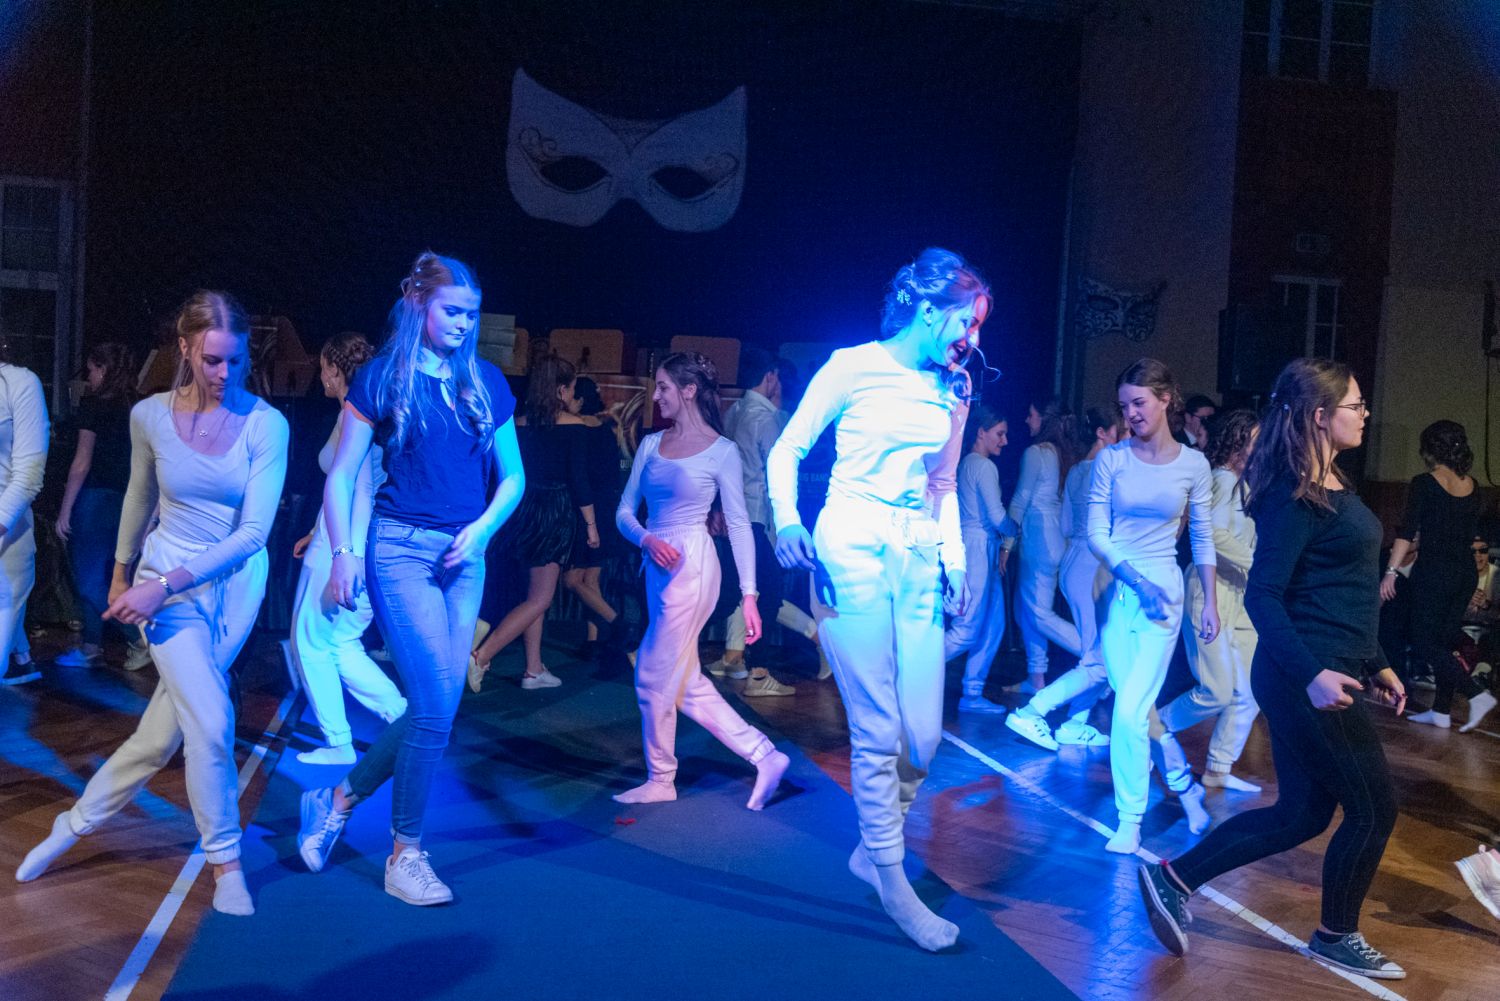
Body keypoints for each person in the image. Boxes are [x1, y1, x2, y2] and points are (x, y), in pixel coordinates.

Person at [16, 291, 289, 916]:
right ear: (185, 349)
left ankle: (73, 824)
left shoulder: (266, 424)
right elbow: (139, 497)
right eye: (213, 360)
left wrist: (155, 588)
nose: (225, 373)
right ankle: (225, 863)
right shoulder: (150, 416)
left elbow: (253, 534)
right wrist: (123, 577)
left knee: (160, 736)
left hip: (234, 588)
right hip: (166, 581)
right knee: (212, 723)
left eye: (236, 361)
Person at [1137, 358, 1408, 980]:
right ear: (1320, 415)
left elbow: (1342, 591)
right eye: (1355, 405)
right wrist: (1312, 675)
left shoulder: (1329, 483)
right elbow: (1264, 596)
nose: (1365, 414)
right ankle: (1337, 935)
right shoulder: (1294, 496)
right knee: (1374, 810)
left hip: (1328, 667)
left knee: (1301, 815)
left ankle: (1173, 878)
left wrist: (1380, 663)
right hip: (1304, 674)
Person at [768, 247, 983, 952]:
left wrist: (953, 557)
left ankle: (874, 846)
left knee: (923, 737)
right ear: (927, 309)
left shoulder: (951, 387)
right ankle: (894, 884)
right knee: (877, 726)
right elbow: (786, 449)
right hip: (851, 546)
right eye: (964, 320)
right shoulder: (851, 365)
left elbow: (943, 484)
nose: (971, 337)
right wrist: (787, 520)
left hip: (917, 550)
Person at [296, 252, 523, 906]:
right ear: (419, 305)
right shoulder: (382, 377)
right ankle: (406, 854)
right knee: (430, 705)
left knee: (439, 708)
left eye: (471, 313)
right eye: (453, 311)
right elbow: (341, 473)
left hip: (466, 556)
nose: (464, 323)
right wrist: (344, 553)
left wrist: (482, 530)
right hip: (398, 550)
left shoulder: (485, 381)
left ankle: (338, 799)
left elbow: (513, 478)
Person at [612, 351, 790, 808]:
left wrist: (749, 595)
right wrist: (646, 539)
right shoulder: (651, 444)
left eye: (663, 387)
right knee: (684, 678)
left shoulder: (721, 451)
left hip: (693, 565)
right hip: (657, 563)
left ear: (689, 390)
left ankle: (661, 778)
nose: (656, 396)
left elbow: (739, 524)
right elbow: (624, 512)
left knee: (651, 673)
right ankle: (764, 755)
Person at [1090, 359, 1218, 854]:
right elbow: (1096, 535)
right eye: (1124, 406)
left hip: (1162, 595)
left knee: (1127, 712)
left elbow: (1202, 538)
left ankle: (1130, 820)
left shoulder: (1194, 465)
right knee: (1139, 710)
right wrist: (1133, 580)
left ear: (1166, 399)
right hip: (1115, 590)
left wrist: (1208, 602)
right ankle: (1187, 792)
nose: (1131, 414)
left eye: (1139, 403)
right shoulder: (1112, 459)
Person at [288, 332, 408, 765]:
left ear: (335, 371)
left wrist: (348, 554)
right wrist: (316, 529)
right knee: (340, 642)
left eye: (323, 366)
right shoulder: (354, 414)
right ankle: (403, 718)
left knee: (310, 640)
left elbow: (362, 491)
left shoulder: (355, 417)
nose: (320, 374)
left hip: (345, 545)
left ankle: (340, 741)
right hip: (337, 538)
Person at [1155, 409, 1264, 793]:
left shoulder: (1246, 486)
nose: (1264, 447)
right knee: (1216, 690)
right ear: (1237, 442)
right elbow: (1212, 534)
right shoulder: (1220, 480)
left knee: (1249, 693)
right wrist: (1256, 564)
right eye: (1256, 440)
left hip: (1239, 597)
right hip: (1209, 592)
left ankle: (1218, 767)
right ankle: (1154, 727)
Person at [469, 355, 591, 691]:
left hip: (520, 511)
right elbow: (579, 481)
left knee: (532, 595)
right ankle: (481, 656)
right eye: (572, 388)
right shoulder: (574, 426)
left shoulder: (518, 423)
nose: (572, 394)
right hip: (553, 513)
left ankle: (533, 670)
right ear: (561, 390)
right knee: (540, 598)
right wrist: (591, 526)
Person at [1005, 405, 1123, 749]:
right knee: (1101, 660)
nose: (1129, 438)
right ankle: (1033, 711)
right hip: (1092, 564)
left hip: (1076, 561)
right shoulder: (1108, 468)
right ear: (1103, 433)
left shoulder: (1075, 471)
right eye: (1123, 432)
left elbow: (1068, 525)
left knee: (1099, 656)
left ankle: (1074, 723)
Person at [705, 345, 798, 696]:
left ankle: (665, 643)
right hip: (755, 516)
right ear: (770, 376)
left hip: (734, 513)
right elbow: (777, 474)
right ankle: (758, 673)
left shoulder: (734, 411)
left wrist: (717, 507)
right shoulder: (765, 419)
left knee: (733, 590)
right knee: (766, 591)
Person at [1385, 421, 1488, 730]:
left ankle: (1475, 693)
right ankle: (1441, 711)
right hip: (1464, 572)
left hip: (1436, 571)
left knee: (1422, 639)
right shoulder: (1473, 486)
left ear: (1430, 450)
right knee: (1443, 641)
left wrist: (1390, 571)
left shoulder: (1424, 483)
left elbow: (1407, 532)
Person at [54, 343, 138, 669]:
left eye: (90, 370)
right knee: (106, 573)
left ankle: (139, 636)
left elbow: (81, 463)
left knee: (89, 578)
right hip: (128, 500)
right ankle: (91, 645)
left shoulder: (93, 406)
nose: (88, 377)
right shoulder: (138, 405)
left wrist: (65, 509)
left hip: (97, 499)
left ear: (102, 369)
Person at [1005, 398, 1082, 695]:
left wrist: (1006, 545)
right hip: (1056, 539)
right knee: (1025, 610)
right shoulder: (1066, 454)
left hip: (1039, 541)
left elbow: (1020, 500)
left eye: (1031, 414)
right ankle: (1036, 677)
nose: (1027, 420)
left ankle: (1098, 656)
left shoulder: (1037, 453)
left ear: (1045, 419)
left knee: (1037, 613)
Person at [944, 405, 1015, 713]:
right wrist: (1017, 529)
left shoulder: (967, 464)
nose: (1004, 441)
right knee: (967, 628)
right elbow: (998, 518)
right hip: (976, 548)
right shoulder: (983, 466)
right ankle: (910, 670)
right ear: (981, 432)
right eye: (1000, 434)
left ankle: (972, 693)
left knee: (993, 624)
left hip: (982, 546)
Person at [560, 376, 624, 657]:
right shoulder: (606, 431)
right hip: (607, 508)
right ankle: (593, 641)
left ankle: (618, 624)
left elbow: (577, 477)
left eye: (569, 394)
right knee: (591, 579)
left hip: (586, 510)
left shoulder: (576, 430)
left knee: (572, 580)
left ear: (580, 399)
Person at [0, 337, 49, 686]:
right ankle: (23, 658)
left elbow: (29, 477)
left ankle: (19, 659)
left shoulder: (20, 383)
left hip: (7, 535)